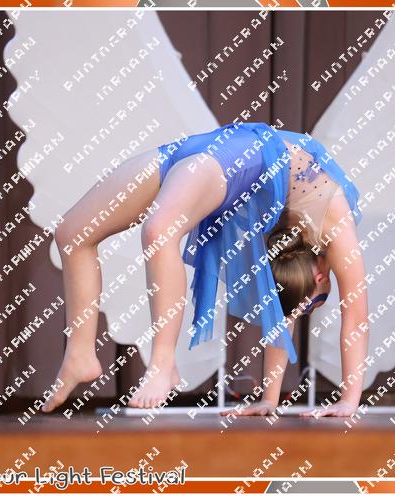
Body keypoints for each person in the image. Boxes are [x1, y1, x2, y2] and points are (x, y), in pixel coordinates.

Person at [40, 121, 366, 413]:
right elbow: (356, 318)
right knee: (75, 234)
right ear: (319, 277)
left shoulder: (290, 246)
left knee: (135, 231)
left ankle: (133, 361)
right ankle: (89, 355)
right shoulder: (337, 223)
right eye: (316, 300)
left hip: (214, 153)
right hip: (239, 154)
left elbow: (280, 318)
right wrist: (350, 400)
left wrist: (270, 399)